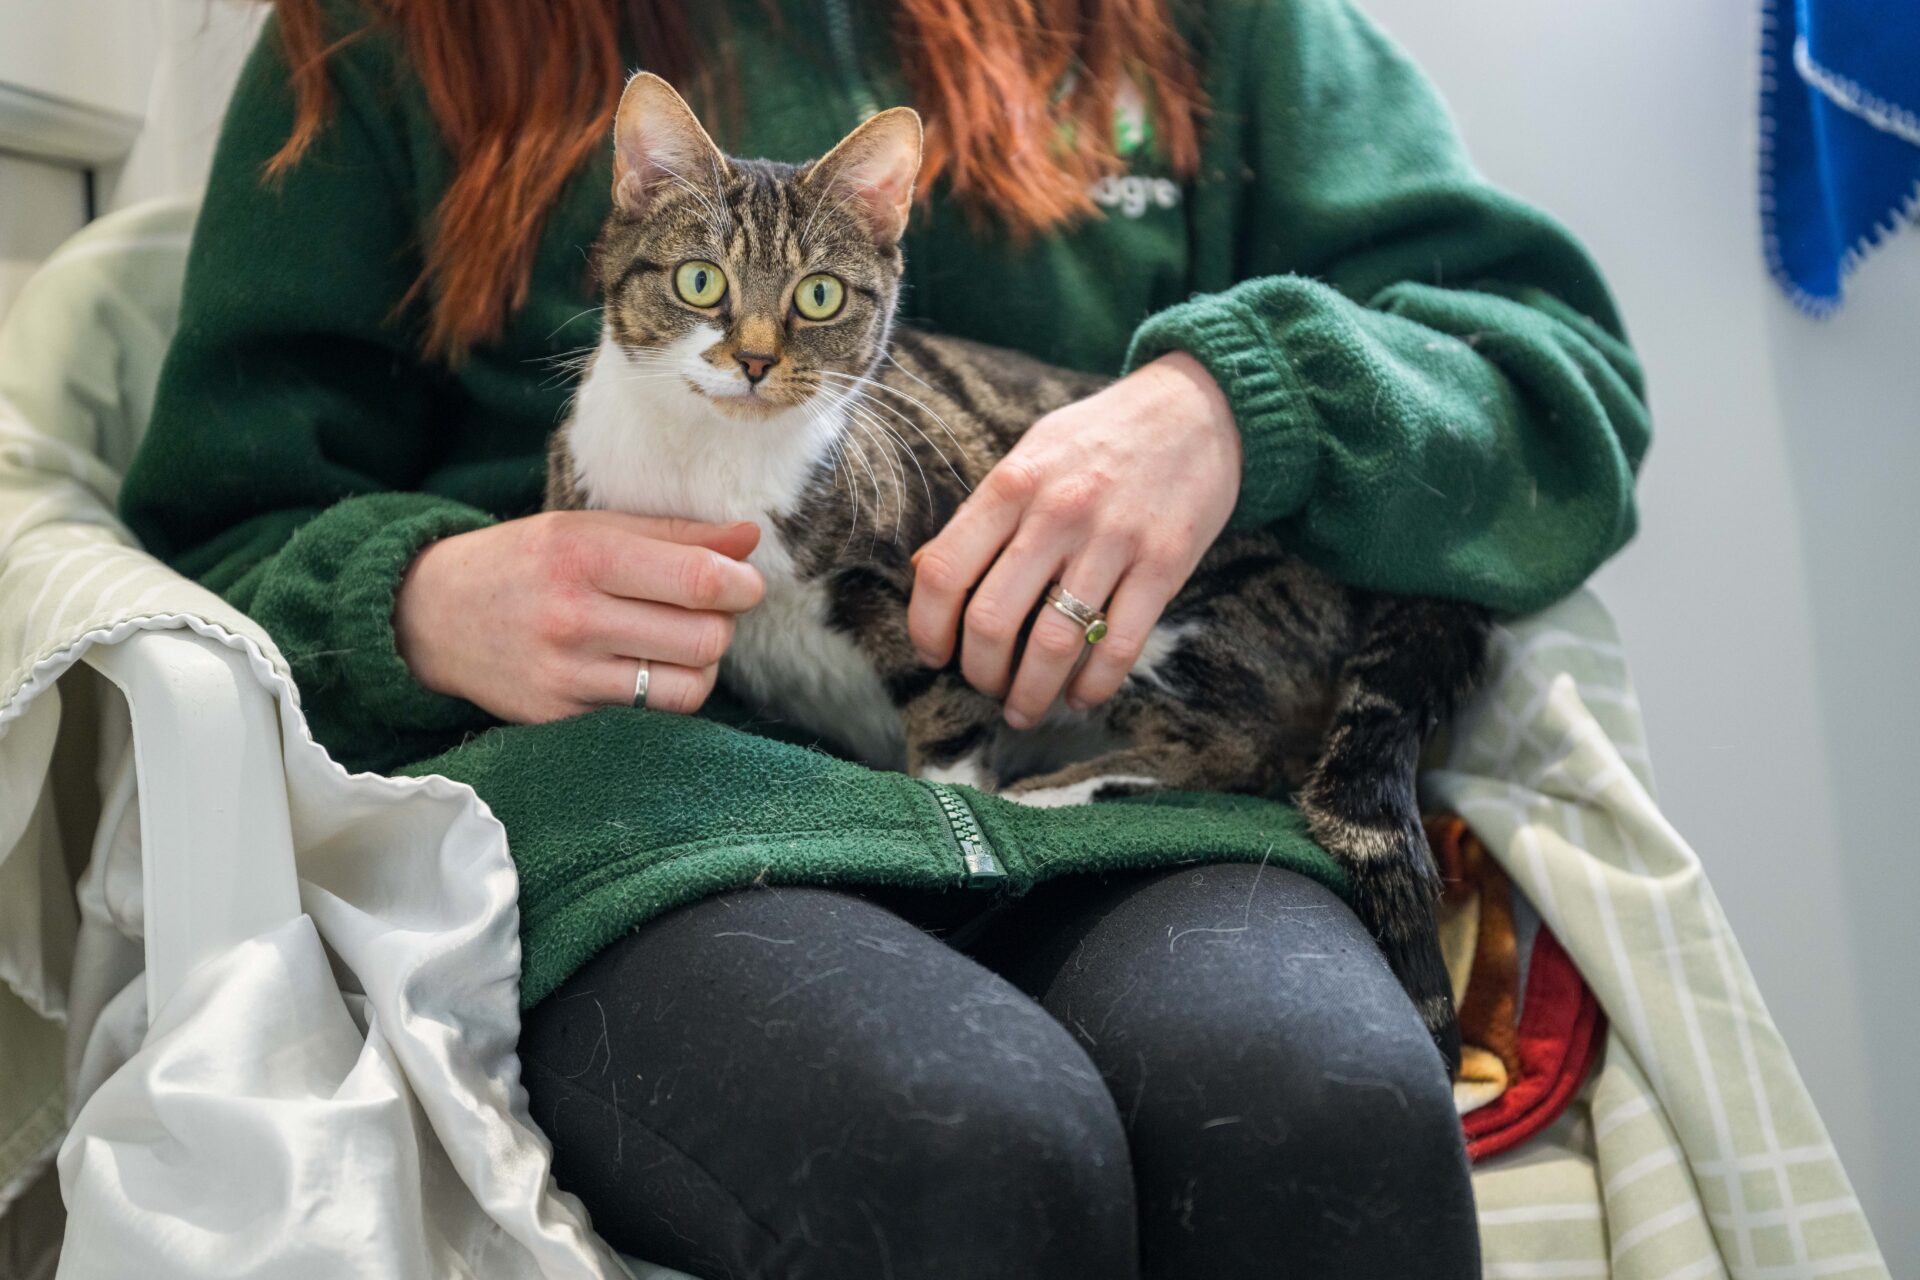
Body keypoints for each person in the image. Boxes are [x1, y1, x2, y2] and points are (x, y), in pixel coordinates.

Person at [121, 0, 1649, 1275]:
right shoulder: (389, 30)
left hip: (1137, 784)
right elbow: (210, 528)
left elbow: (1556, 380)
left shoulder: (1213, 27)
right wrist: (416, 596)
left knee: (1317, 1115)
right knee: (960, 1149)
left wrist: (1234, 407)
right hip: (650, 811)